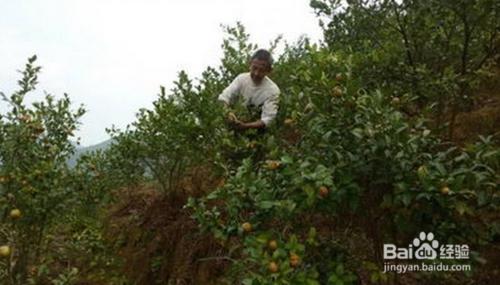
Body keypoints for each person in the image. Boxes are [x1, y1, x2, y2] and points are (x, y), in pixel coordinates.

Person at [218, 49, 280, 131]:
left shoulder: (273, 90)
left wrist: (246, 126)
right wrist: (229, 114)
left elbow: (268, 119)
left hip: (256, 132)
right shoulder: (241, 79)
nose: (256, 73)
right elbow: (223, 98)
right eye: (254, 68)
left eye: (261, 70)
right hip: (230, 125)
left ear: (269, 71)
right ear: (250, 64)